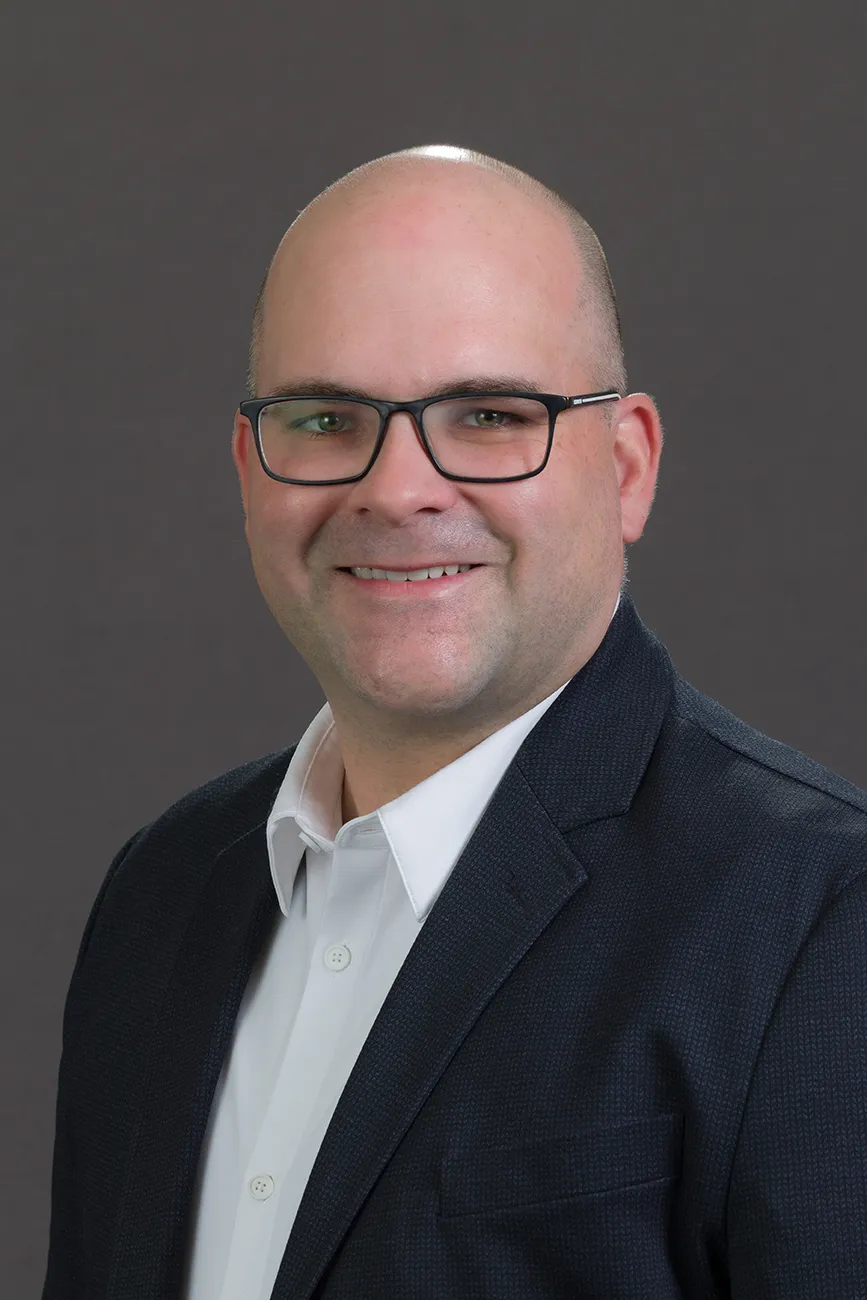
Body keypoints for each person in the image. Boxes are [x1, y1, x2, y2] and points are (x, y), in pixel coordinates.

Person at [42, 144, 867, 1300]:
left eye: (486, 413)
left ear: (626, 468)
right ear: (249, 469)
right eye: (327, 417)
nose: (396, 487)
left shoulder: (821, 922)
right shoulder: (159, 893)